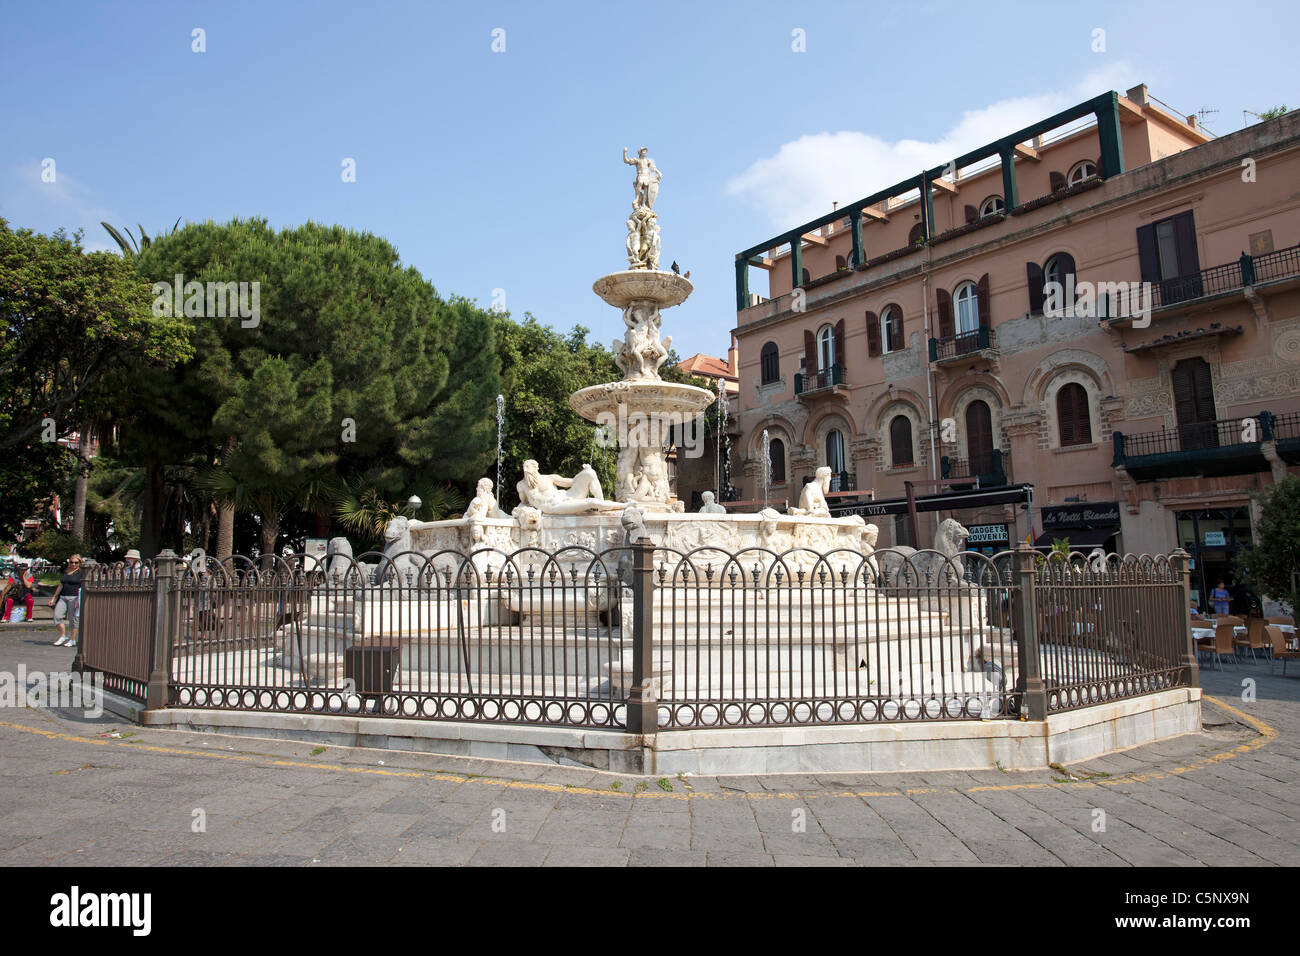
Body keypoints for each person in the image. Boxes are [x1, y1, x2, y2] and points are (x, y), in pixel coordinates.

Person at [48, 554, 84, 646]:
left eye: (76, 562)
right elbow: (61, 585)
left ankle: (72, 639)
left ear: (80, 563)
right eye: (72, 562)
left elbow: (82, 587)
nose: (73, 564)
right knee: (57, 616)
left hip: (74, 597)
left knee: (73, 619)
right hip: (63, 596)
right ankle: (63, 635)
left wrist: (78, 600)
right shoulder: (66, 571)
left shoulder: (81, 573)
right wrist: (54, 597)